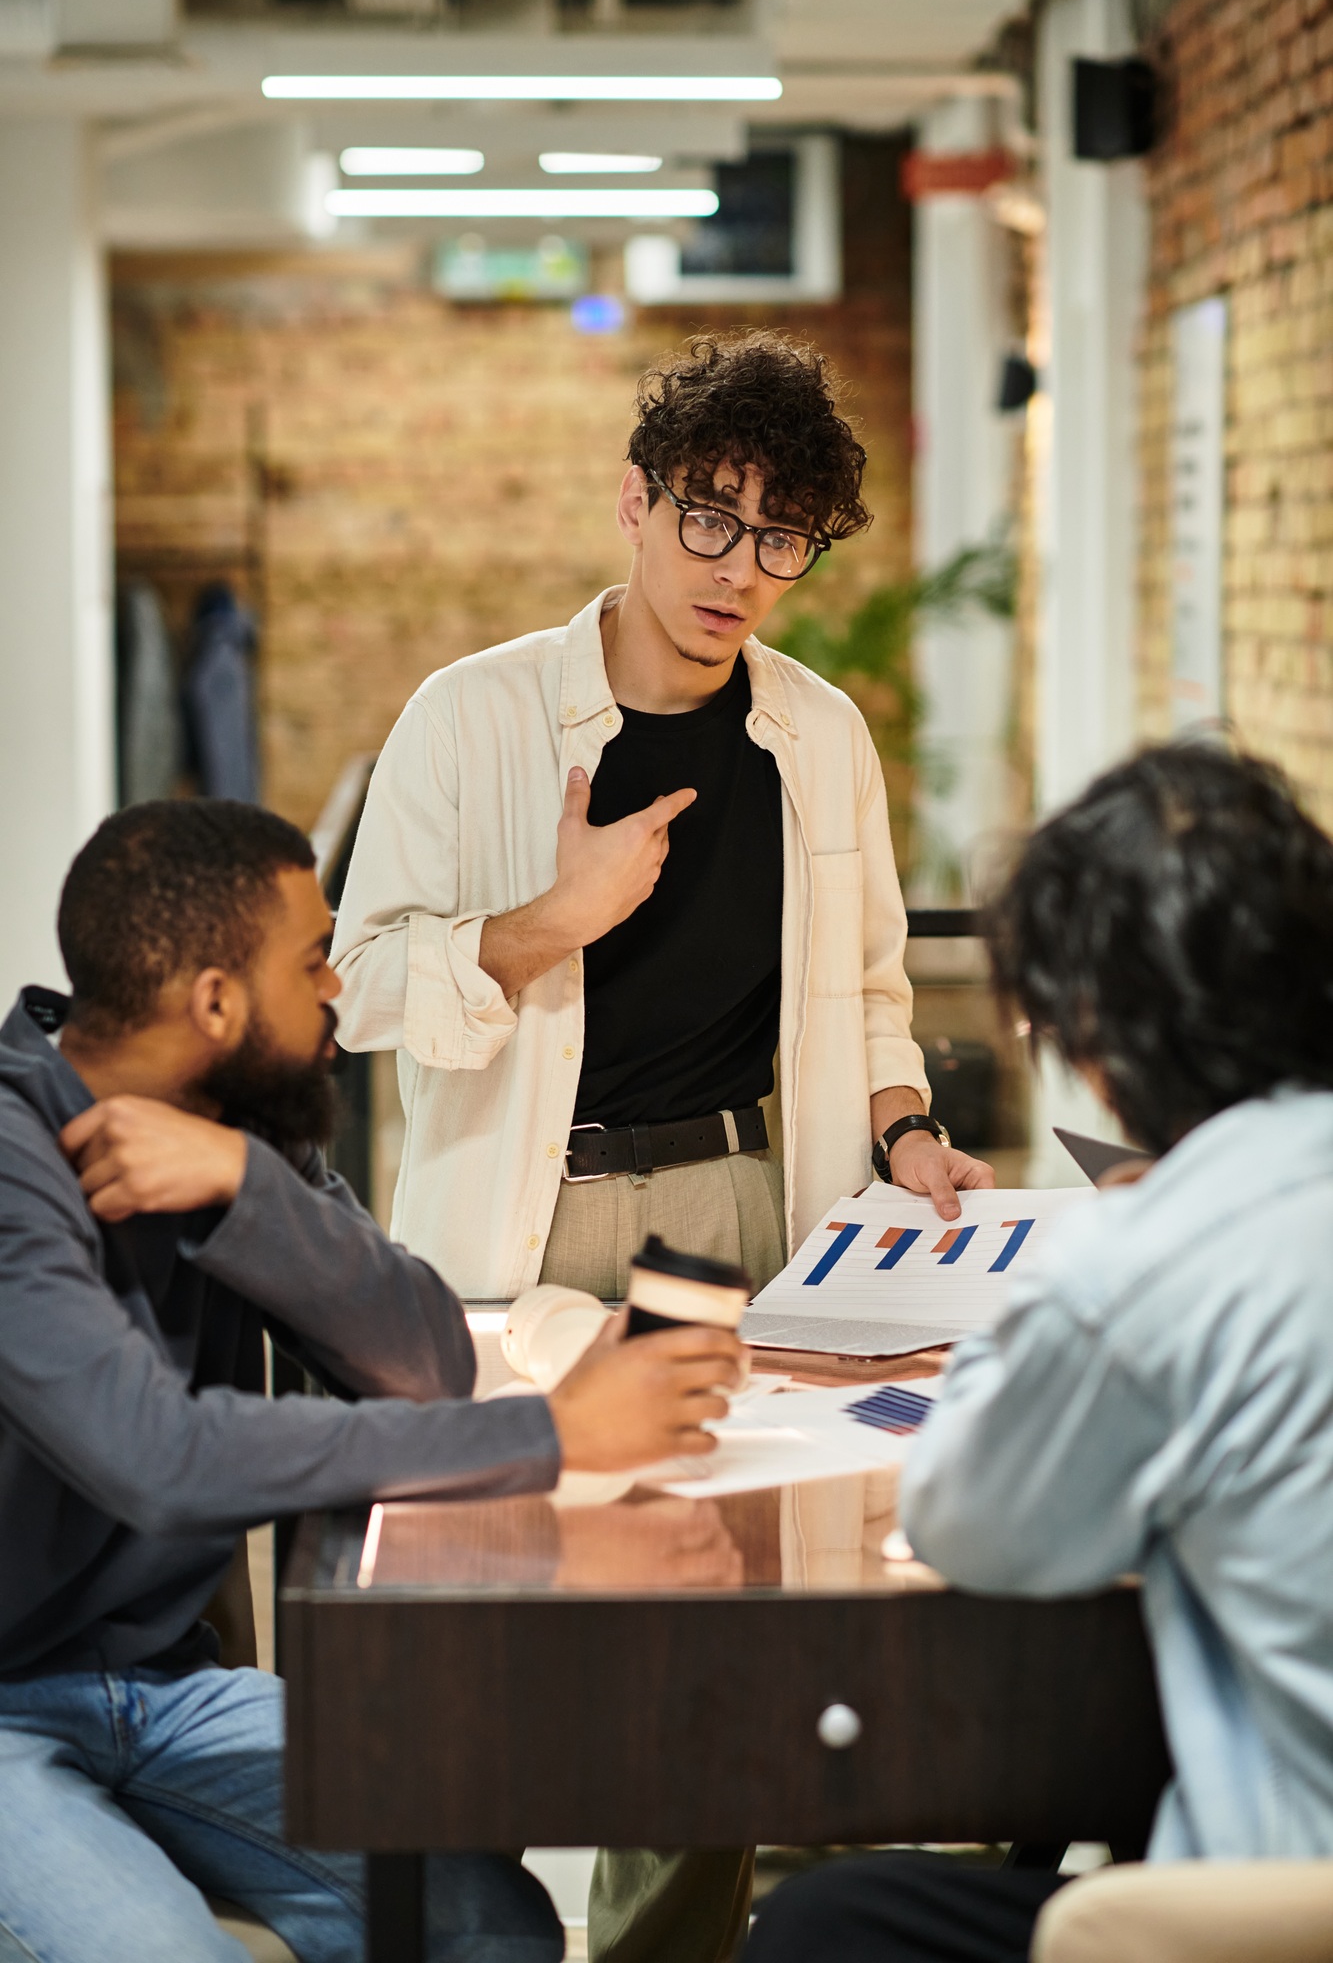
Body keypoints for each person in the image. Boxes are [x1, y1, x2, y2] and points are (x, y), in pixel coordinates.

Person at [331, 328, 996, 1963]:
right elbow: (351, 986)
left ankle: (662, 1950)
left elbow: (862, 985)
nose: (739, 570)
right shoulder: (472, 716)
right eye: (709, 518)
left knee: (705, 1619)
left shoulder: (816, 733)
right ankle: (471, 1931)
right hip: (511, 1217)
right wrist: (541, 924)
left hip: (722, 1212)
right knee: (485, 1622)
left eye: (781, 539)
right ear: (633, 503)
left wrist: (903, 1123)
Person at [0, 798, 744, 1963]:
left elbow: (424, 1362)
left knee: (491, 1924)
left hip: (161, 1687)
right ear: (214, 1002)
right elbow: (158, 1457)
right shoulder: (10, 1160)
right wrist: (548, 1434)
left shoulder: (244, 1122)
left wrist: (246, 1181)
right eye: (312, 960)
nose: (338, 986)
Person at [745, 742, 1333, 1961]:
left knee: (821, 1923)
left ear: (1099, 1035)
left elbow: (969, 1523)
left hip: (1272, 1911)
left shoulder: (1146, 1261)